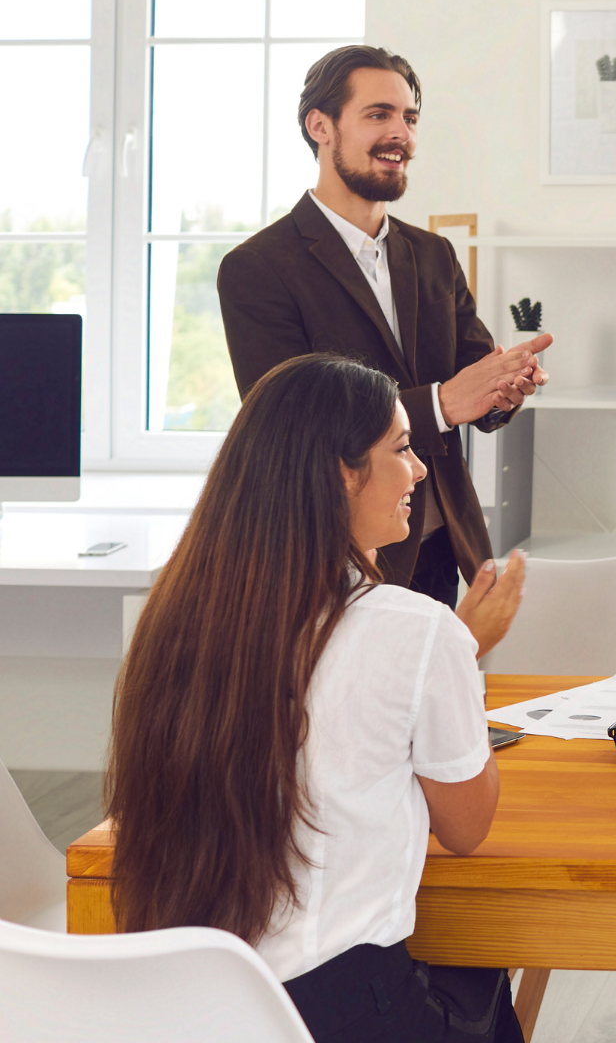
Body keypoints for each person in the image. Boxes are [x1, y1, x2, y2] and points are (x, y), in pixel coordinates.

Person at [105, 354, 530, 1043]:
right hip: (340, 1013)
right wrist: (458, 653)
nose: (419, 470)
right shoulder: (413, 628)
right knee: (483, 973)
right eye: (401, 449)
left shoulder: (175, 617)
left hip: (188, 1007)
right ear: (341, 474)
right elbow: (467, 828)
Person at [218, 44, 551, 609]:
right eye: (379, 115)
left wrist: (503, 387)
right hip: (338, 553)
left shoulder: (434, 254)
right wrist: (443, 404)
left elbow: (473, 380)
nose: (402, 134)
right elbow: (288, 424)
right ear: (320, 126)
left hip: (443, 545)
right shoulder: (257, 268)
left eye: (410, 118)